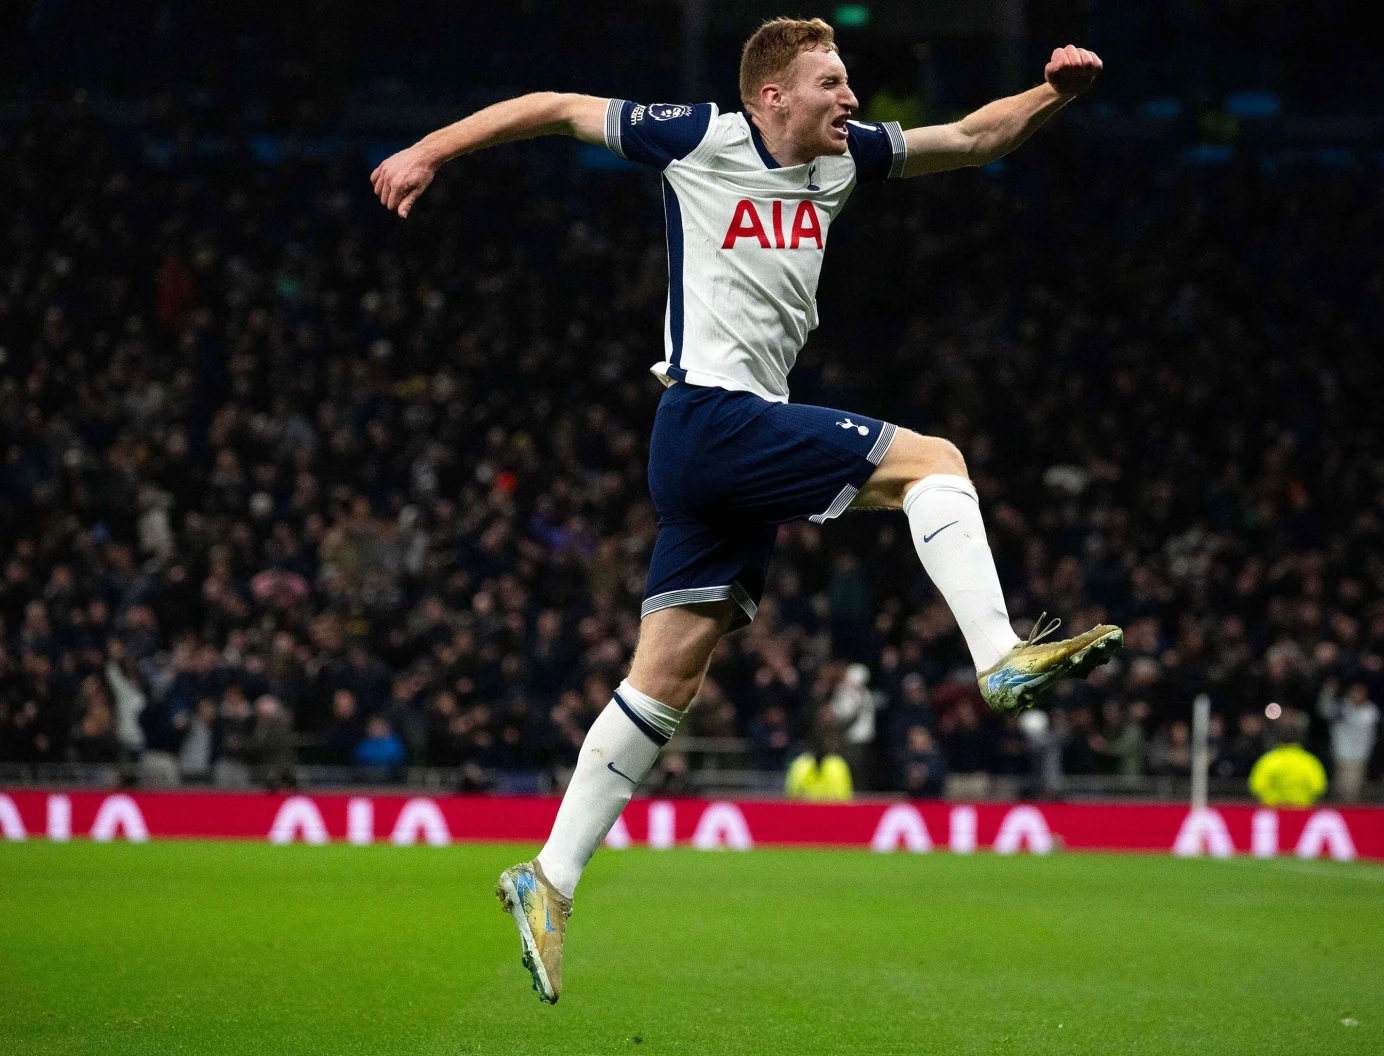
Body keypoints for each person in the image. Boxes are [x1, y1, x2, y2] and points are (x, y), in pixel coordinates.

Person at [371, 16, 1121, 1003]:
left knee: (666, 682)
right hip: (710, 419)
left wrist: (1054, 94)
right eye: (831, 81)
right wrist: (428, 148)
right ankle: (996, 654)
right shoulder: (697, 136)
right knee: (934, 461)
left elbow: (974, 139)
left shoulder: (847, 158)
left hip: (714, 453)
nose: (851, 99)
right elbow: (554, 107)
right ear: (773, 95)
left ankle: (548, 878)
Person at [1248, 728, 1327, 808]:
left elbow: (1257, 787)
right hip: (1302, 812)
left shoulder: (1267, 761)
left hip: (1274, 811)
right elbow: (1318, 787)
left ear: (1278, 741)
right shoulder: (1310, 762)